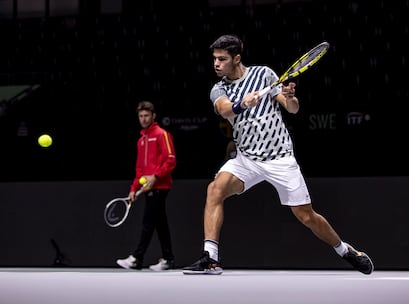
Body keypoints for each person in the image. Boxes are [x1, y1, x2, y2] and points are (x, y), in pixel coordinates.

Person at [183, 34, 374, 275]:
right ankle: (210, 258)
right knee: (215, 190)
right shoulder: (218, 88)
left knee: (306, 216)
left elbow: (292, 109)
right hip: (247, 159)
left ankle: (345, 250)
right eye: (214, 59)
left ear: (237, 58)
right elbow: (224, 109)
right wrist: (243, 104)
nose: (216, 64)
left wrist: (291, 97)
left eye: (222, 59)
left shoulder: (264, 74)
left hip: (280, 158)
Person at [117, 101, 177, 271]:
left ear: (153, 116)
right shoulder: (141, 140)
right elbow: (139, 169)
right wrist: (133, 189)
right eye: (141, 116)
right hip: (148, 187)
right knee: (159, 223)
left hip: (161, 186)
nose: (143, 119)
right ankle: (168, 259)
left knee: (148, 222)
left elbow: (170, 160)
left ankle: (137, 258)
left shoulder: (161, 134)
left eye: (146, 116)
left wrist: (156, 176)